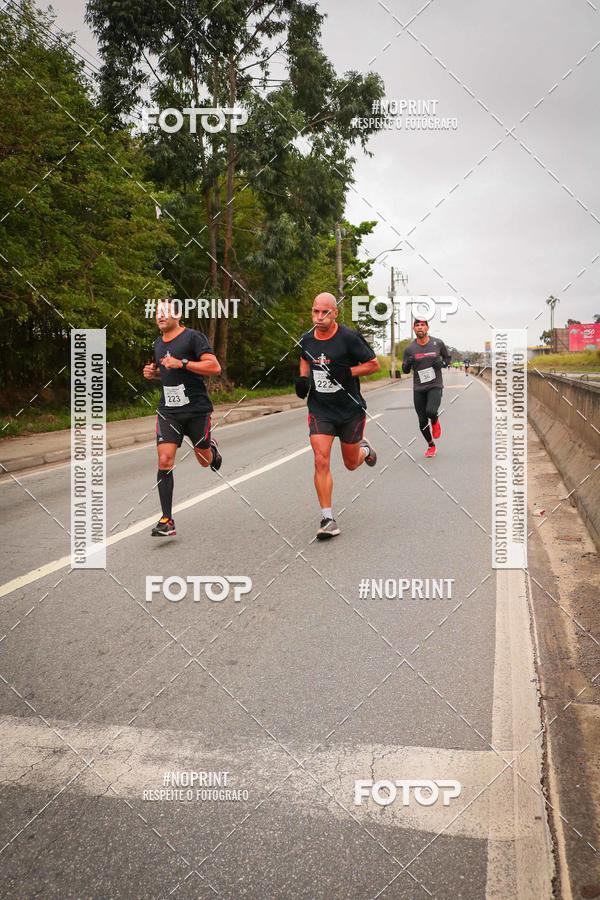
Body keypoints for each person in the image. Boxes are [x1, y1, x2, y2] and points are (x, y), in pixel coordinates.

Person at [296, 292, 380, 540]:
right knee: (321, 459)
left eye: (325, 312)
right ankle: (328, 518)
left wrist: (347, 373)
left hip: (350, 409)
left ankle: (365, 450)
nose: (319, 317)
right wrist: (303, 379)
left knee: (351, 464)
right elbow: (304, 358)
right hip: (320, 409)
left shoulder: (349, 338)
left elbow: (373, 364)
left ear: (335, 313)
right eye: (315, 311)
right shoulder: (307, 339)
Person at [143, 300, 222, 536]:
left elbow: (214, 367)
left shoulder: (193, 338)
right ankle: (167, 519)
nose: (160, 316)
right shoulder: (158, 344)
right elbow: (168, 373)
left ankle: (212, 449)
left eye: (165, 312)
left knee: (205, 461)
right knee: (165, 459)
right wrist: (154, 373)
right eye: (157, 313)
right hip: (169, 412)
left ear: (177, 315)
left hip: (196, 409)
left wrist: (183, 362)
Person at [402, 318, 451, 458]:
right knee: (422, 421)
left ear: (427, 328)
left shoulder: (438, 343)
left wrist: (441, 363)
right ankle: (431, 445)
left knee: (431, 411)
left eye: (423, 325)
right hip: (418, 388)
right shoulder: (410, 349)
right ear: (414, 329)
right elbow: (404, 370)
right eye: (417, 325)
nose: (420, 328)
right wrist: (408, 363)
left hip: (435, 385)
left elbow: (448, 360)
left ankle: (435, 421)